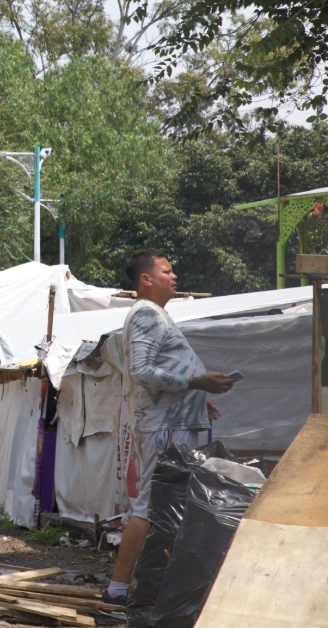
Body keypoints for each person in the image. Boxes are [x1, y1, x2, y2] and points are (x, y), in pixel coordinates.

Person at [102, 249, 240, 606]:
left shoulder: (158, 315)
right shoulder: (147, 315)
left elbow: (162, 368)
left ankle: (162, 585)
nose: (174, 276)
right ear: (146, 279)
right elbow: (143, 371)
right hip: (165, 428)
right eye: (166, 271)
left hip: (174, 422)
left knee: (172, 508)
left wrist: (200, 396)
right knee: (148, 507)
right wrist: (196, 382)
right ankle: (119, 589)